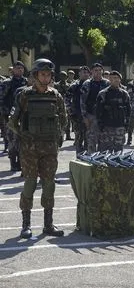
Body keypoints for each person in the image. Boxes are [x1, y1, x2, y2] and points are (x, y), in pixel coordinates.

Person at [7, 58, 67, 238]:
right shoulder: (24, 95)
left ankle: (48, 225)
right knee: (30, 184)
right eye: (42, 74)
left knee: (49, 185)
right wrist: (24, 136)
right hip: (30, 149)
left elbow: (63, 119)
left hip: (49, 149)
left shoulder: (56, 95)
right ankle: (26, 225)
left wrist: (57, 137)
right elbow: (12, 121)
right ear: (35, 75)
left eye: (48, 75)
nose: (46, 77)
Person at [2, 61, 28, 170]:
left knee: (23, 141)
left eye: (21, 68)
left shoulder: (27, 82)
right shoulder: (7, 83)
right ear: (13, 70)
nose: (20, 70)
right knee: (12, 140)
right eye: (17, 68)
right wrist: (4, 113)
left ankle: (22, 163)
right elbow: (2, 99)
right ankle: (13, 163)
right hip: (10, 115)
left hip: (24, 116)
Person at [96, 71, 131, 152]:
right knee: (104, 151)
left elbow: (129, 110)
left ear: (120, 80)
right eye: (113, 78)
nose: (115, 80)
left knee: (118, 151)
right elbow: (98, 111)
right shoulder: (103, 94)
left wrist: (127, 124)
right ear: (109, 80)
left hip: (120, 127)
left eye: (117, 78)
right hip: (107, 127)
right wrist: (100, 125)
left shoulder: (124, 94)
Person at [80, 63, 109, 153]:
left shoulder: (107, 83)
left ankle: (101, 164)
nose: (98, 72)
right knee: (91, 142)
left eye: (100, 70)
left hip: (104, 117)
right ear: (92, 72)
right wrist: (85, 117)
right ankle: (91, 163)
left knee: (104, 143)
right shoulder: (87, 84)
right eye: (96, 70)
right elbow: (82, 102)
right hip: (91, 116)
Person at [65, 66, 90, 154]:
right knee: (79, 139)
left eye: (87, 72)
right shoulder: (75, 85)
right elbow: (67, 99)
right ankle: (79, 157)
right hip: (78, 116)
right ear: (79, 74)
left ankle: (88, 159)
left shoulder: (92, 84)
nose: (85, 74)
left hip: (89, 116)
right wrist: (71, 112)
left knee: (89, 139)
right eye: (83, 72)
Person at [55, 71, 73, 141]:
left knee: (67, 120)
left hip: (66, 104)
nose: (63, 77)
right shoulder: (56, 85)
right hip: (58, 104)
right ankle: (59, 136)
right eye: (61, 76)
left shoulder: (69, 85)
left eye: (64, 76)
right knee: (58, 120)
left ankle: (68, 135)